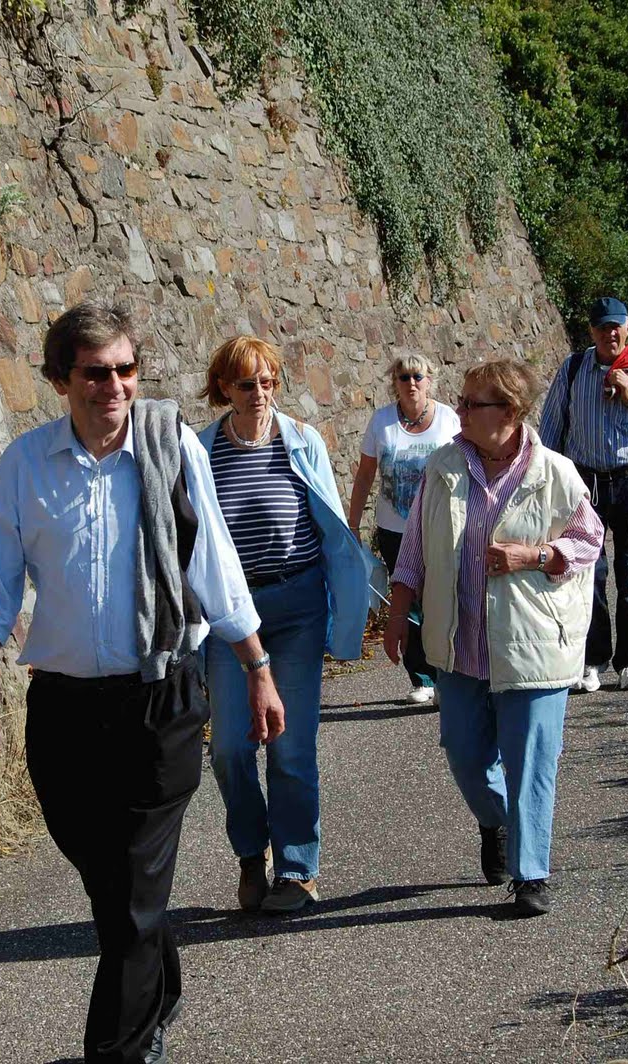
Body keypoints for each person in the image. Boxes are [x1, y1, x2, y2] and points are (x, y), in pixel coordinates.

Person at [0, 302, 285, 1064]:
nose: (115, 386)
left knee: (135, 880)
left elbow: (216, 571)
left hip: (161, 696)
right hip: (65, 708)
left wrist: (258, 668)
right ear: (59, 378)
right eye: (96, 372)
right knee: (113, 885)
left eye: (126, 370)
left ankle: (119, 1048)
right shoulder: (25, 467)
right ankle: (160, 985)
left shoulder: (172, 452)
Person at [383, 360, 604, 917]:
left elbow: (590, 540)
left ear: (508, 411)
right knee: (463, 753)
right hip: (459, 644)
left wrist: (537, 555)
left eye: (471, 403)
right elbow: (414, 546)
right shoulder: (444, 466)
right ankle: (497, 819)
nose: (458, 412)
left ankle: (532, 874)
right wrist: (397, 612)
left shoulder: (554, 472)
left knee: (531, 757)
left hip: (533, 643)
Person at [196, 336, 371, 914]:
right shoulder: (201, 450)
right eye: (248, 384)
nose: (260, 394)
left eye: (269, 382)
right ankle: (251, 853)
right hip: (229, 615)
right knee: (227, 747)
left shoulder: (301, 441)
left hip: (296, 605)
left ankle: (297, 869)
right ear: (225, 387)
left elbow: (328, 524)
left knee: (291, 745)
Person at [538, 296, 628, 694]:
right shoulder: (572, 369)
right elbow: (550, 428)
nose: (610, 333)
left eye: (616, 325)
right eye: (602, 327)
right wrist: (543, 481)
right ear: (591, 332)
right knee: (590, 573)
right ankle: (593, 661)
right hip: (586, 484)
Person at [346, 353, 460, 705]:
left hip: (439, 525)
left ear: (430, 381)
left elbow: (464, 468)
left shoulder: (448, 420)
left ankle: (450, 675)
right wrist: (352, 524)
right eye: (403, 377)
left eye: (417, 377)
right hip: (395, 527)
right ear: (393, 383)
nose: (411, 383)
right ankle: (423, 678)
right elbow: (365, 475)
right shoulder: (382, 422)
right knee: (406, 598)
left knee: (442, 596)